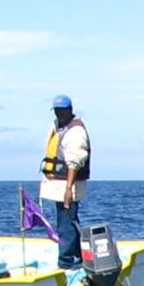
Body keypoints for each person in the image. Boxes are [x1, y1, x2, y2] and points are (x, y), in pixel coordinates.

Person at [39, 94, 90, 269]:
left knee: (66, 224)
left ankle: (66, 261)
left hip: (67, 185)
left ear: (70, 110)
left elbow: (74, 161)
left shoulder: (75, 131)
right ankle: (78, 254)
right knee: (66, 220)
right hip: (57, 184)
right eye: (57, 110)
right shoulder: (58, 127)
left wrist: (69, 189)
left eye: (63, 110)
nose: (60, 114)